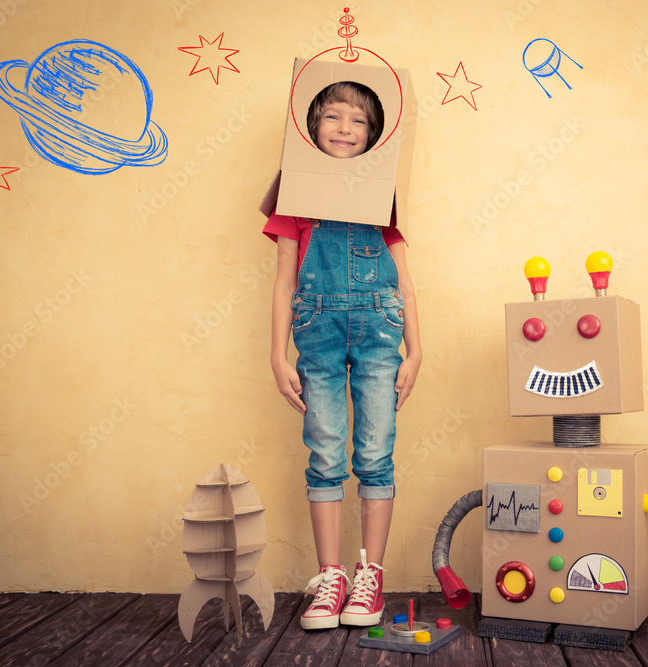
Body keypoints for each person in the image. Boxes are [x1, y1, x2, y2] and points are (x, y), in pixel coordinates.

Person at [263, 81, 421, 630]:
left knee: (375, 454)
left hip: (381, 330)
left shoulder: (382, 191)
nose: (345, 129)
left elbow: (403, 279)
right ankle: (331, 578)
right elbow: (285, 282)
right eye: (333, 117)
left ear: (374, 135)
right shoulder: (294, 192)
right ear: (311, 126)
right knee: (326, 454)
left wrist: (416, 349)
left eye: (358, 121)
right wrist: (277, 355)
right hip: (318, 333)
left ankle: (368, 578)